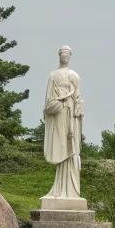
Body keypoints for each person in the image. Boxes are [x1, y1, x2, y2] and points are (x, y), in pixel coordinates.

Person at [42, 45, 84, 200]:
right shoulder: (53, 75)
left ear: (70, 57)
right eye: (62, 55)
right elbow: (48, 99)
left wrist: (78, 108)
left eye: (67, 55)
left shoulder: (73, 75)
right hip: (59, 113)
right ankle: (59, 188)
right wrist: (55, 103)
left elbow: (78, 96)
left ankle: (71, 189)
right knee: (60, 145)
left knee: (71, 146)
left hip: (70, 114)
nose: (64, 57)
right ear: (59, 56)